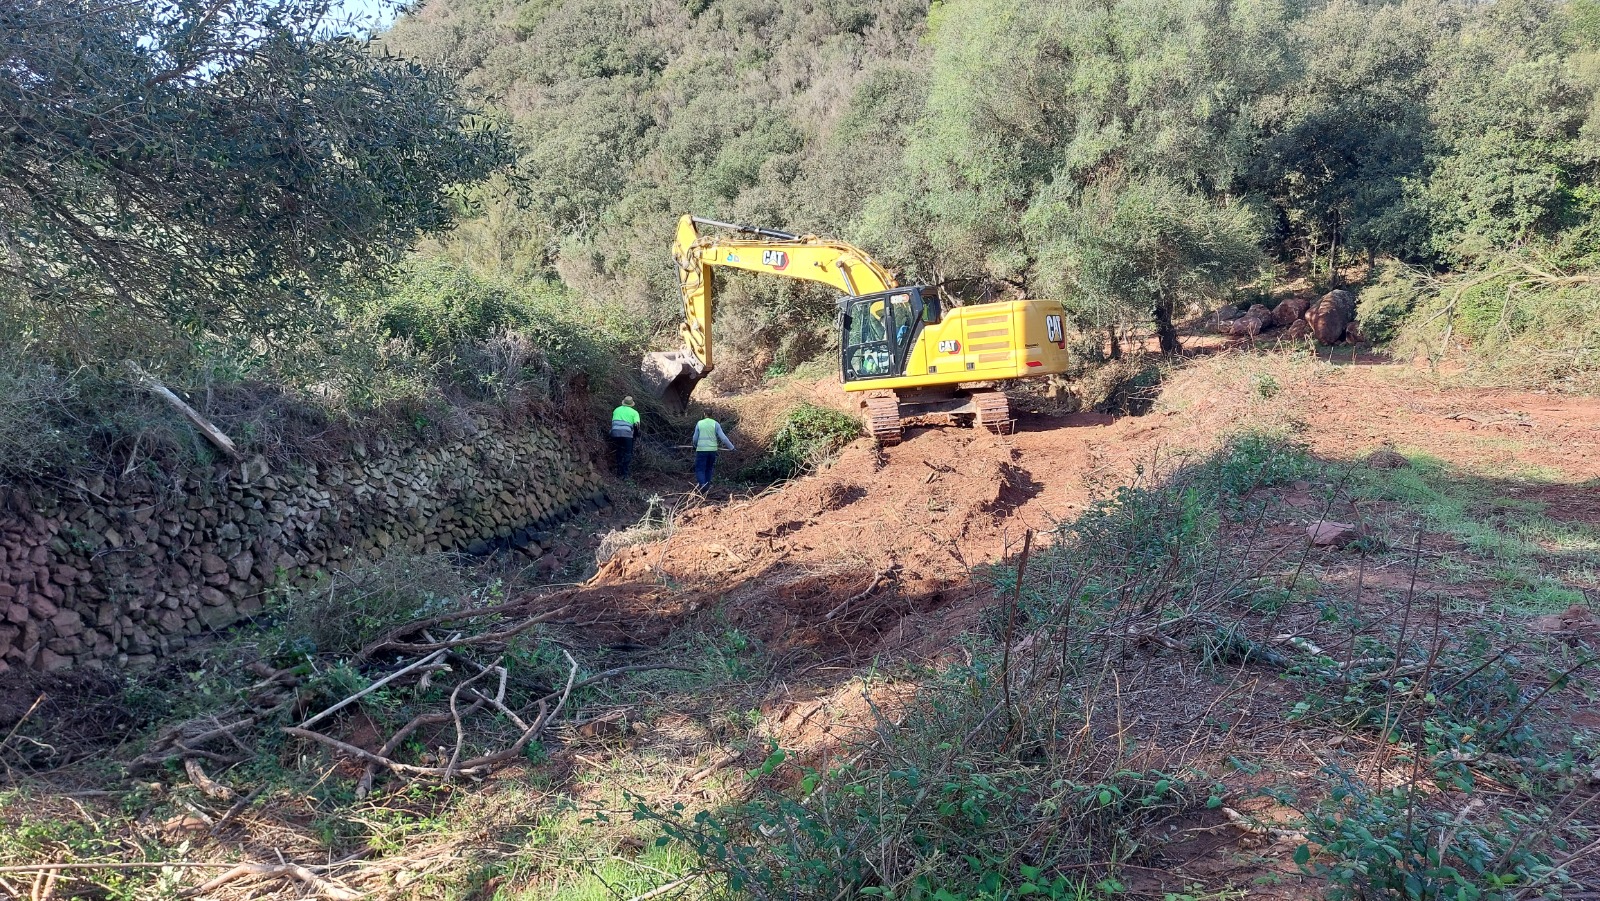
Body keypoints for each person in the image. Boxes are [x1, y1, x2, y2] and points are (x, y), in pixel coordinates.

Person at [689, 412, 735, 491]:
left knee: (700, 469)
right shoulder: (715, 424)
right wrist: (732, 447)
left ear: (704, 414)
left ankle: (702, 485)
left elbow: (695, 438)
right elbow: (723, 438)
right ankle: (707, 485)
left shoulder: (699, 423)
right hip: (712, 450)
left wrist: (694, 445)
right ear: (712, 414)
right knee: (709, 468)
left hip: (701, 450)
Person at [610, 396, 641, 478]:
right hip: (627, 434)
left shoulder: (616, 409)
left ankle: (618, 470)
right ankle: (625, 473)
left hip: (615, 433)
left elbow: (613, 422)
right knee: (628, 452)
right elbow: (637, 425)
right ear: (631, 404)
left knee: (619, 450)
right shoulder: (634, 413)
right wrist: (635, 436)